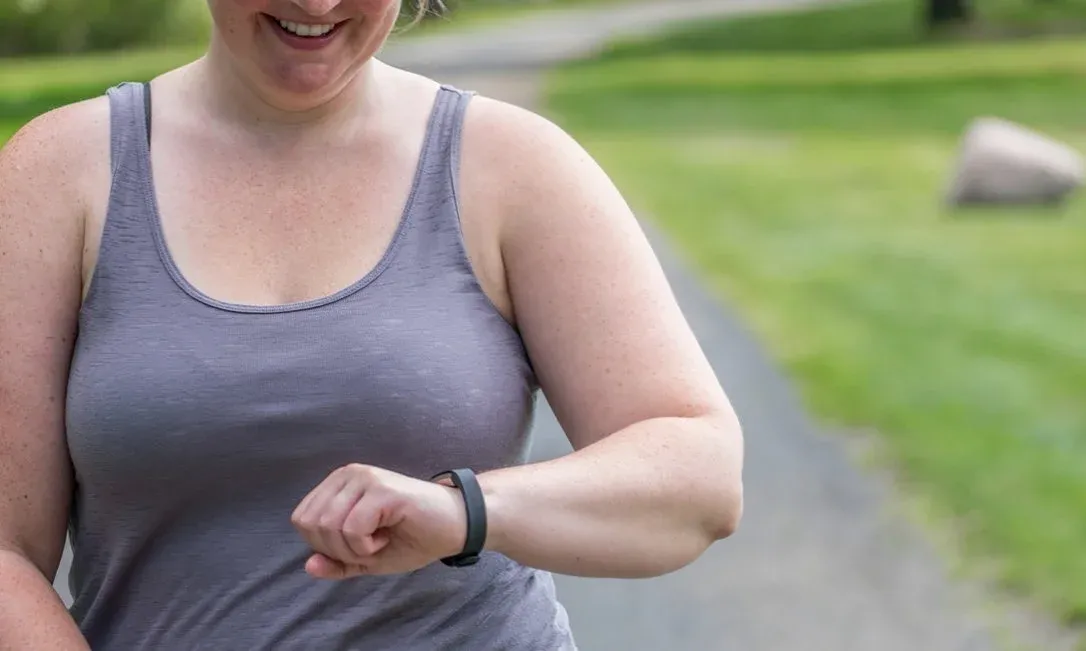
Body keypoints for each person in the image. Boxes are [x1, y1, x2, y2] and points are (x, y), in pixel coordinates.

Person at [0, 0, 745, 648]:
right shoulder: (58, 175)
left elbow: (699, 480)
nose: (318, 2)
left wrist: (463, 510)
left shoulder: (515, 167)